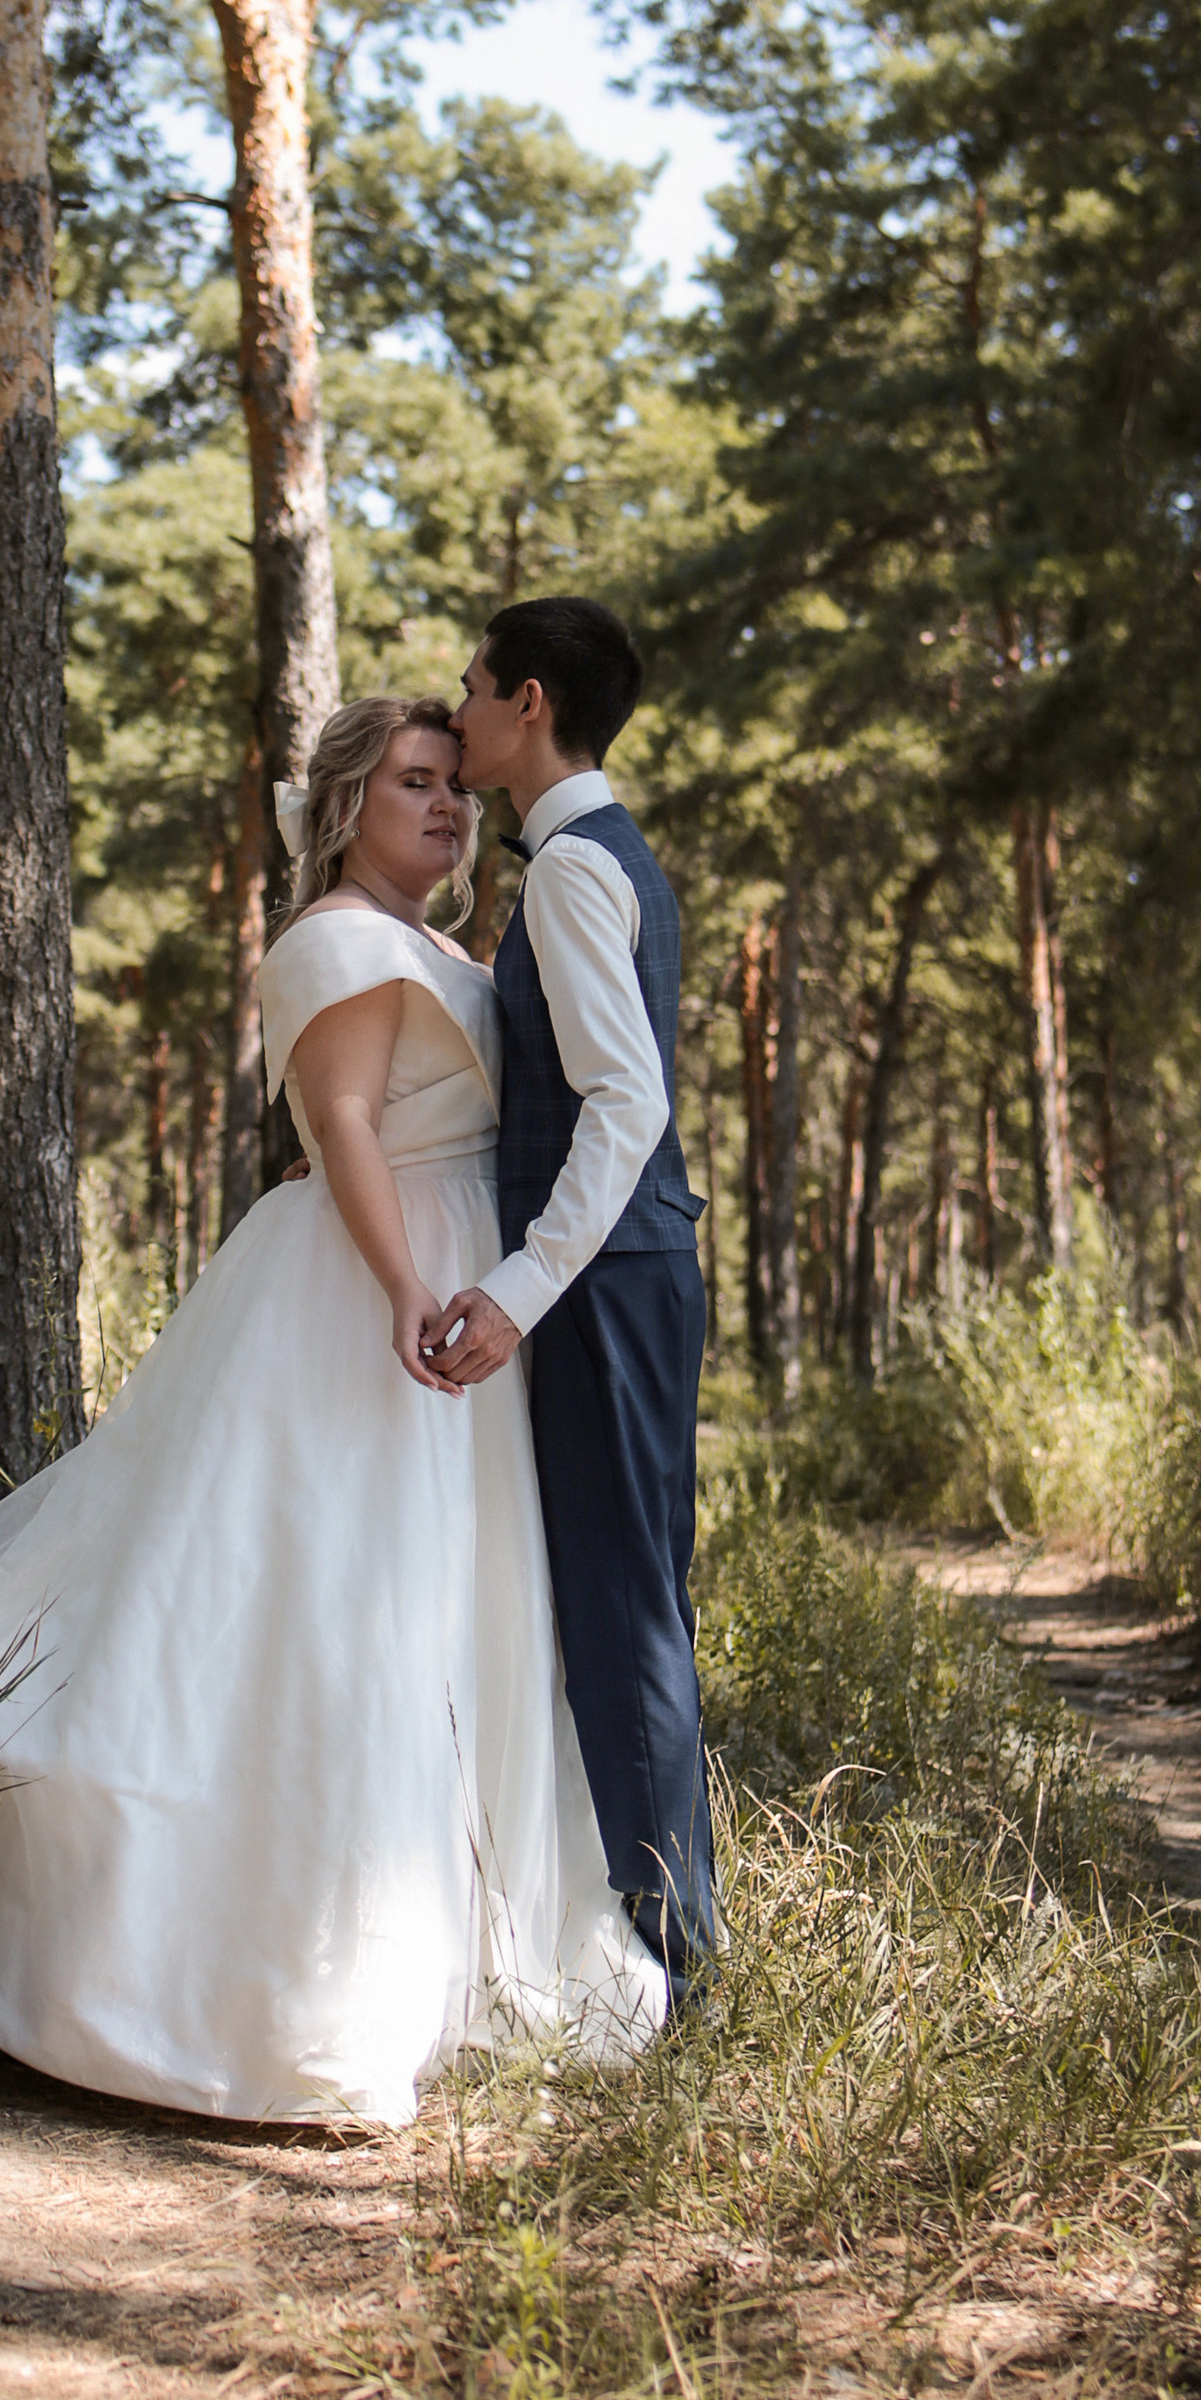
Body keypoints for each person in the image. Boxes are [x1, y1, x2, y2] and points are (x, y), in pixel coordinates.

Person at [0, 694, 661, 2127]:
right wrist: (408, 1285)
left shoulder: (438, 946)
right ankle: (219, 1960)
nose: (448, 807)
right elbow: (340, 1124)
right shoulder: (333, 938)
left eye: (456, 787)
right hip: (367, 1295)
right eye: (415, 783)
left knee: (444, 1608)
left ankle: (453, 1929)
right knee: (310, 1605)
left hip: (470, 1291)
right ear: (348, 807)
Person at [443, 598, 718, 1992]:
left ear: (529, 701)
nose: (460, 710)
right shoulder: (606, 855)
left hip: (603, 1282)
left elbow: (623, 1103)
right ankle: (664, 1939)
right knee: (631, 1599)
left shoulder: (567, 873)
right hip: (632, 1273)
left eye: (474, 687)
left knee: (624, 1609)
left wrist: (516, 1291)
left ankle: (668, 1960)